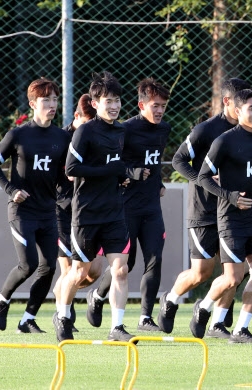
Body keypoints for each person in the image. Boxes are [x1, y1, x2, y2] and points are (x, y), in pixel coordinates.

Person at [156, 78, 251, 339]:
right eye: (240, 102)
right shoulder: (206, 130)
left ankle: (217, 323)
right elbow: (178, 160)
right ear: (227, 102)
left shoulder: (250, 132)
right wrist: (204, 179)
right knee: (202, 272)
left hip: (233, 210)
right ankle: (171, 299)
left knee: (234, 270)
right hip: (203, 210)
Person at [191, 88, 252, 343]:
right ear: (238, 111)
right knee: (232, 278)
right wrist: (229, 196)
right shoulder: (225, 141)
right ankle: (204, 306)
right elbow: (204, 177)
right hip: (231, 218)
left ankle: (241, 329)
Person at [86, 78, 171, 332]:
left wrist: (158, 183)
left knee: (155, 258)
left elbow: (155, 162)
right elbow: (116, 164)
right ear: (141, 104)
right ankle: (98, 295)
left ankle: (145, 317)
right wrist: (132, 173)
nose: (159, 111)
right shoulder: (125, 130)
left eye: (163, 106)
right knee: (126, 264)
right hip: (126, 206)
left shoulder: (164, 129)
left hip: (151, 206)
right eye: (155, 105)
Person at [0, 77, 70, 334]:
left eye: (55, 99)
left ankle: (27, 319)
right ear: (33, 104)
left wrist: (70, 189)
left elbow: (62, 175)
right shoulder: (18, 135)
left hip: (48, 211)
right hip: (22, 212)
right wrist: (12, 191)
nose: (52, 104)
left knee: (49, 267)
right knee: (29, 265)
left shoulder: (61, 137)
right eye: (46, 100)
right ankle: (1, 301)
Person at [54, 71, 133, 342]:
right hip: (86, 213)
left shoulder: (122, 131)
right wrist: (108, 170)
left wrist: (123, 175)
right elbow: (71, 168)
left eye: (117, 100)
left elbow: (118, 166)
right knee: (79, 272)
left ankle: (117, 328)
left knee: (120, 269)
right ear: (96, 103)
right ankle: (62, 316)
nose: (114, 106)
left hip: (115, 213)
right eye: (108, 100)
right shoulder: (86, 131)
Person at [52, 94, 103, 332]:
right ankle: (64, 318)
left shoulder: (96, 137)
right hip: (62, 211)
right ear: (76, 117)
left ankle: (60, 292)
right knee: (69, 270)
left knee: (93, 271)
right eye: (86, 122)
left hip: (88, 210)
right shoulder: (61, 139)